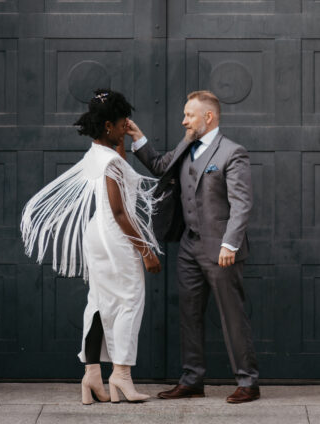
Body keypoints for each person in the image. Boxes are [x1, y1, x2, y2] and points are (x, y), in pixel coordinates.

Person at [21, 89, 162, 404]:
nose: (128, 124)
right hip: (115, 235)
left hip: (95, 236)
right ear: (109, 125)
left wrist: (122, 142)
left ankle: (92, 376)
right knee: (129, 301)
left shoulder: (96, 154)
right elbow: (119, 209)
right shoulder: (110, 160)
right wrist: (146, 250)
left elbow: (119, 183)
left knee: (98, 302)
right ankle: (122, 376)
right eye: (123, 120)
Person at [127, 89, 259, 404]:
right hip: (189, 247)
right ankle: (192, 380)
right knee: (189, 314)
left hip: (222, 249)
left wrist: (230, 243)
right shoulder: (187, 146)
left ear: (208, 117)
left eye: (189, 115)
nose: (184, 120)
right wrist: (138, 137)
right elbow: (161, 166)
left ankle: (248, 382)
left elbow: (242, 204)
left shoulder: (232, 152)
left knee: (232, 316)